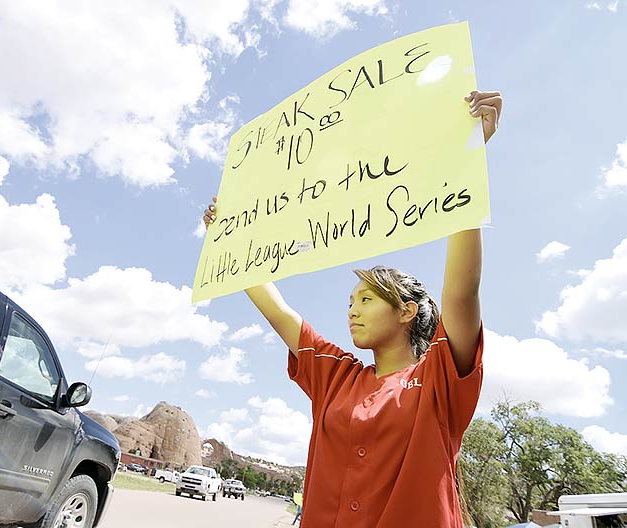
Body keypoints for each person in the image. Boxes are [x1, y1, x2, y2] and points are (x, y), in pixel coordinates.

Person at [202, 90, 502, 528]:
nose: (351, 311)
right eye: (349, 302)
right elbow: (279, 311)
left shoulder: (439, 377)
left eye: (366, 299)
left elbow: (460, 294)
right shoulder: (335, 376)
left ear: (405, 311)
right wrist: (227, 237)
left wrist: (468, 159)